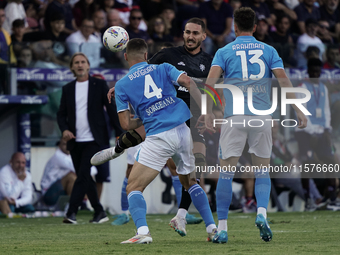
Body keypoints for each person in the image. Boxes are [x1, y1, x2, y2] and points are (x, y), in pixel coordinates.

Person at [204, 7, 307, 243]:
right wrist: (300, 110)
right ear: (255, 26)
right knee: (262, 170)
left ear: (235, 27)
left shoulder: (224, 51)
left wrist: (207, 112)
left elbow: (210, 83)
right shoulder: (269, 50)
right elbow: (284, 81)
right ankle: (261, 213)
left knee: (226, 173)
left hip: (234, 118)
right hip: (262, 118)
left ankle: (222, 228)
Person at [110, 38, 216, 244]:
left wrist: (144, 116)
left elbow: (125, 124)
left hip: (159, 136)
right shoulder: (164, 67)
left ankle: (142, 232)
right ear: (146, 56)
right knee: (191, 182)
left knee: (133, 187)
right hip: (183, 131)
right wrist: (204, 110)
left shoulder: (122, 85)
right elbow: (189, 82)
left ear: (125, 57)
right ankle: (213, 229)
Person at [57, 52, 123, 224]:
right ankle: (99, 211)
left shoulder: (99, 85)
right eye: (76, 62)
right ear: (72, 67)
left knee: (83, 175)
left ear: (88, 65)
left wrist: (119, 132)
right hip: (75, 141)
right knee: (84, 178)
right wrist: (64, 130)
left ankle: (71, 213)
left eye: (83, 62)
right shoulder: (67, 88)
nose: (80, 65)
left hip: (95, 140)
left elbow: (111, 109)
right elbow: (61, 114)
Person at [295, 58, 340, 211]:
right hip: (305, 131)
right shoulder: (302, 87)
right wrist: (313, 132)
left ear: (321, 72)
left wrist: (327, 129)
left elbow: (326, 111)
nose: (315, 73)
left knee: (331, 161)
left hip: (321, 131)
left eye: (317, 71)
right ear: (308, 71)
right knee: (306, 163)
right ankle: (308, 200)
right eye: (312, 71)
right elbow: (301, 114)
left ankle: (332, 199)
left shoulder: (324, 88)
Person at [40, 139, 77, 206]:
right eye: (64, 144)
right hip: (48, 194)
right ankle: (71, 206)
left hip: (59, 191)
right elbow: (78, 169)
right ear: (59, 145)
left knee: (83, 177)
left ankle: (84, 204)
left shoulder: (69, 156)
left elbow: (93, 171)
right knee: (71, 177)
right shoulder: (58, 157)